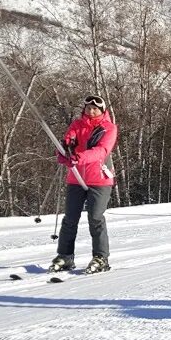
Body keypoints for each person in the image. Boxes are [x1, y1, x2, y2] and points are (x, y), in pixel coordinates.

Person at [51, 95, 117, 274]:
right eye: (88, 107)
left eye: (95, 108)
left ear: (102, 111)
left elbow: (101, 151)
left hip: (99, 179)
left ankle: (101, 257)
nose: (91, 111)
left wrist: (79, 158)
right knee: (70, 219)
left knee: (95, 218)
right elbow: (67, 143)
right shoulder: (76, 125)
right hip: (76, 178)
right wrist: (64, 152)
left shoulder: (108, 128)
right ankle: (65, 256)